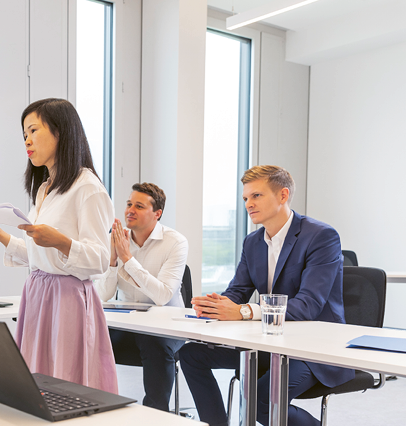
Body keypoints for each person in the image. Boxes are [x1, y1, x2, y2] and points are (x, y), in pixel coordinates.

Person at [178, 165, 353, 426]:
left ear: (283, 195)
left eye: (256, 196)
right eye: (246, 198)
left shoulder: (321, 236)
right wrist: (216, 305)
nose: (249, 204)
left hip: (313, 351)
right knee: (191, 354)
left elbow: (308, 306)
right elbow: (238, 291)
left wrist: (244, 311)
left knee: (261, 400)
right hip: (268, 344)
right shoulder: (253, 242)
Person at [0, 98, 117, 393]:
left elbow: (101, 259)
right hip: (39, 290)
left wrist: (62, 242)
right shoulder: (46, 188)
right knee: (36, 381)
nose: (27, 141)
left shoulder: (88, 188)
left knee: (64, 384)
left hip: (66, 298)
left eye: (33, 131)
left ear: (60, 131)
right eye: (23, 135)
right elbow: (39, 254)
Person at [94, 182, 188, 411]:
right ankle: (94, 407)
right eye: (128, 204)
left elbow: (163, 296)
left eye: (139, 206)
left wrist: (128, 259)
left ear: (157, 213)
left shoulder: (175, 242)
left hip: (166, 327)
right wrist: (113, 262)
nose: (129, 210)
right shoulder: (115, 239)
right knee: (90, 334)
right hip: (128, 325)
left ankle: (157, 415)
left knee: (153, 342)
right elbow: (103, 295)